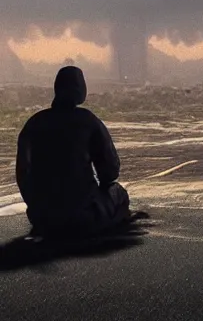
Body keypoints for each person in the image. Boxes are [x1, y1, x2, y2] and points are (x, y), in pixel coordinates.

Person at [16, 66, 130, 238]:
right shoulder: (89, 121)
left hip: (42, 217)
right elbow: (110, 172)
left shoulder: (33, 123)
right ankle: (108, 230)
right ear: (81, 90)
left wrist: (37, 204)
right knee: (118, 192)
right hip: (84, 216)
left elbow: (22, 173)